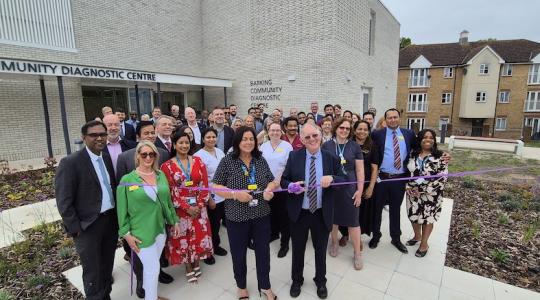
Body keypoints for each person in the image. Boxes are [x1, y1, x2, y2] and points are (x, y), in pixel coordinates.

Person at [212, 126, 279, 300]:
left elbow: (272, 181)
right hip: (236, 217)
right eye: (244, 139)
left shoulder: (260, 159)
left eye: (251, 139)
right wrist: (234, 194)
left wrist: (269, 190)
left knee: (263, 252)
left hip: (261, 214)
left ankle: (265, 285)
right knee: (239, 254)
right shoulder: (228, 161)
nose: (248, 142)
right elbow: (215, 186)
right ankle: (241, 287)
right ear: (237, 141)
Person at [280, 123, 345, 299]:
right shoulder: (294, 157)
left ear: (321, 136)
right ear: (302, 140)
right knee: (298, 249)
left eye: (314, 135)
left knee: (320, 249)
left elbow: (343, 179)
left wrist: (332, 178)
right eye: (307, 137)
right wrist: (291, 186)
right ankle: (297, 280)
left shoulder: (331, 157)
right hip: (300, 213)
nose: (312, 139)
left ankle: (320, 281)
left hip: (321, 212)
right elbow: (283, 181)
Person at [55, 120, 118, 300]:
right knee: (93, 271)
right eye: (93, 135)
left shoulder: (105, 157)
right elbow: (64, 201)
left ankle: (105, 296)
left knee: (106, 265)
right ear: (84, 138)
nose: (99, 138)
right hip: (88, 226)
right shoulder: (70, 163)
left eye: (102, 134)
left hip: (109, 221)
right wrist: (76, 229)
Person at [116, 121, 175, 298]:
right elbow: (121, 210)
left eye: (151, 154)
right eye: (144, 155)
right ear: (138, 156)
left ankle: (152, 294)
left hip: (159, 230)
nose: (148, 158)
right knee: (152, 269)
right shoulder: (128, 179)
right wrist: (125, 233)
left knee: (153, 266)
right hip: (141, 233)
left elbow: (167, 202)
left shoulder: (160, 175)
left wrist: (174, 221)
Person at [161, 131, 213, 283]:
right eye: (181, 143)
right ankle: (188, 267)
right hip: (180, 210)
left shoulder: (198, 161)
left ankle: (197, 262)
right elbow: (170, 191)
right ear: (175, 145)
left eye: (187, 143)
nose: (184, 145)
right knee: (183, 239)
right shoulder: (167, 166)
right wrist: (186, 207)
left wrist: (199, 205)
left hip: (199, 208)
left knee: (198, 236)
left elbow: (204, 186)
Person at [370, 109, 416, 253]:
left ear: (399, 118)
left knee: (395, 209)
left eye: (395, 117)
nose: (392, 120)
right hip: (382, 178)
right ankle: (376, 235)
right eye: (389, 118)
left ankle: (395, 238)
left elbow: (419, 149)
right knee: (377, 209)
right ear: (385, 119)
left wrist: (441, 154)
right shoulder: (377, 134)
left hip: (399, 179)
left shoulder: (408, 134)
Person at [322, 118, 365, 270]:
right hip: (332, 186)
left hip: (350, 187)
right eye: (342, 127)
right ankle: (334, 242)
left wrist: (360, 191)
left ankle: (357, 252)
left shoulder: (354, 146)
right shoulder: (327, 145)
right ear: (336, 128)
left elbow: (360, 170)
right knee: (333, 219)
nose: (345, 130)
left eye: (347, 128)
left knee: (353, 221)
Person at [405, 129, 448, 257]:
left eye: (430, 137)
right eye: (424, 137)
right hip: (412, 193)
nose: (427, 139)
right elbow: (406, 173)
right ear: (420, 139)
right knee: (413, 216)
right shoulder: (412, 154)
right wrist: (408, 187)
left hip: (431, 195)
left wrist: (422, 190)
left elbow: (442, 178)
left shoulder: (440, 156)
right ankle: (417, 236)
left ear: (434, 140)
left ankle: (424, 243)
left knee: (427, 218)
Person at [337, 121, 379, 254]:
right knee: (345, 211)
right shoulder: (347, 143)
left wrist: (371, 186)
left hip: (364, 184)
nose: (362, 132)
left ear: (368, 131)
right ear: (354, 131)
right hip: (347, 183)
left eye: (365, 129)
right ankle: (345, 234)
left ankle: (357, 238)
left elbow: (374, 168)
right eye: (359, 129)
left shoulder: (372, 145)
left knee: (359, 212)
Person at [193, 128, 228, 265]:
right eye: (208, 137)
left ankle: (216, 245)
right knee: (209, 225)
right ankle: (207, 252)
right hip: (210, 196)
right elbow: (201, 181)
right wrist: (210, 198)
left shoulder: (219, 151)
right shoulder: (198, 156)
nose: (211, 139)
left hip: (223, 193)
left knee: (217, 224)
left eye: (213, 136)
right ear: (203, 139)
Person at [261, 122, 294, 258]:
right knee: (270, 214)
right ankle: (273, 234)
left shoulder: (287, 146)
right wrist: (269, 185)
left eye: (277, 130)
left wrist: (276, 182)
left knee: (283, 217)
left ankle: (284, 244)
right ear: (268, 132)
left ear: (282, 132)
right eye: (272, 130)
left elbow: (288, 166)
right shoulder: (263, 146)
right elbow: (260, 165)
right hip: (267, 188)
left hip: (281, 188)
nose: (275, 132)